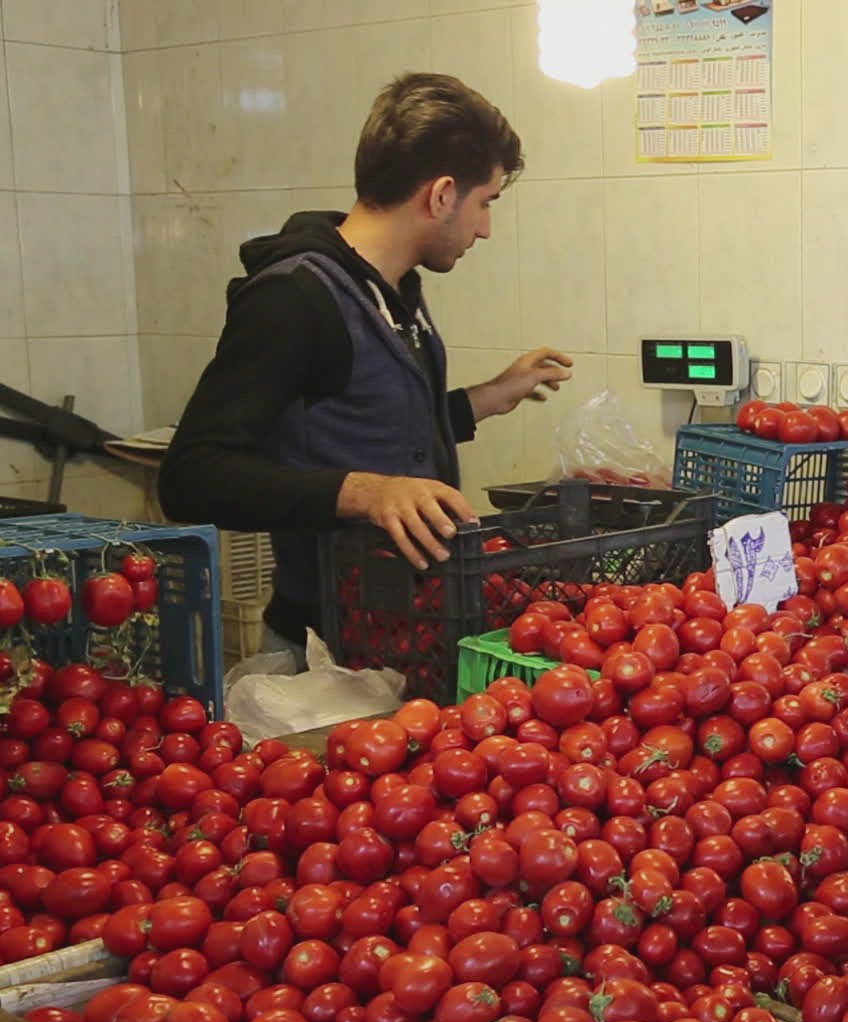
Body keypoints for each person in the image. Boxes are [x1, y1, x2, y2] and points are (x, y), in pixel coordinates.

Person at [159, 73, 574, 663]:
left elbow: (366, 425)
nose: (485, 228)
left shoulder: (392, 289)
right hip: (322, 652)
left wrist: (488, 397)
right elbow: (191, 476)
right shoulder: (292, 298)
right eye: (485, 203)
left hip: (405, 632)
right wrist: (366, 493)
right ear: (441, 195)